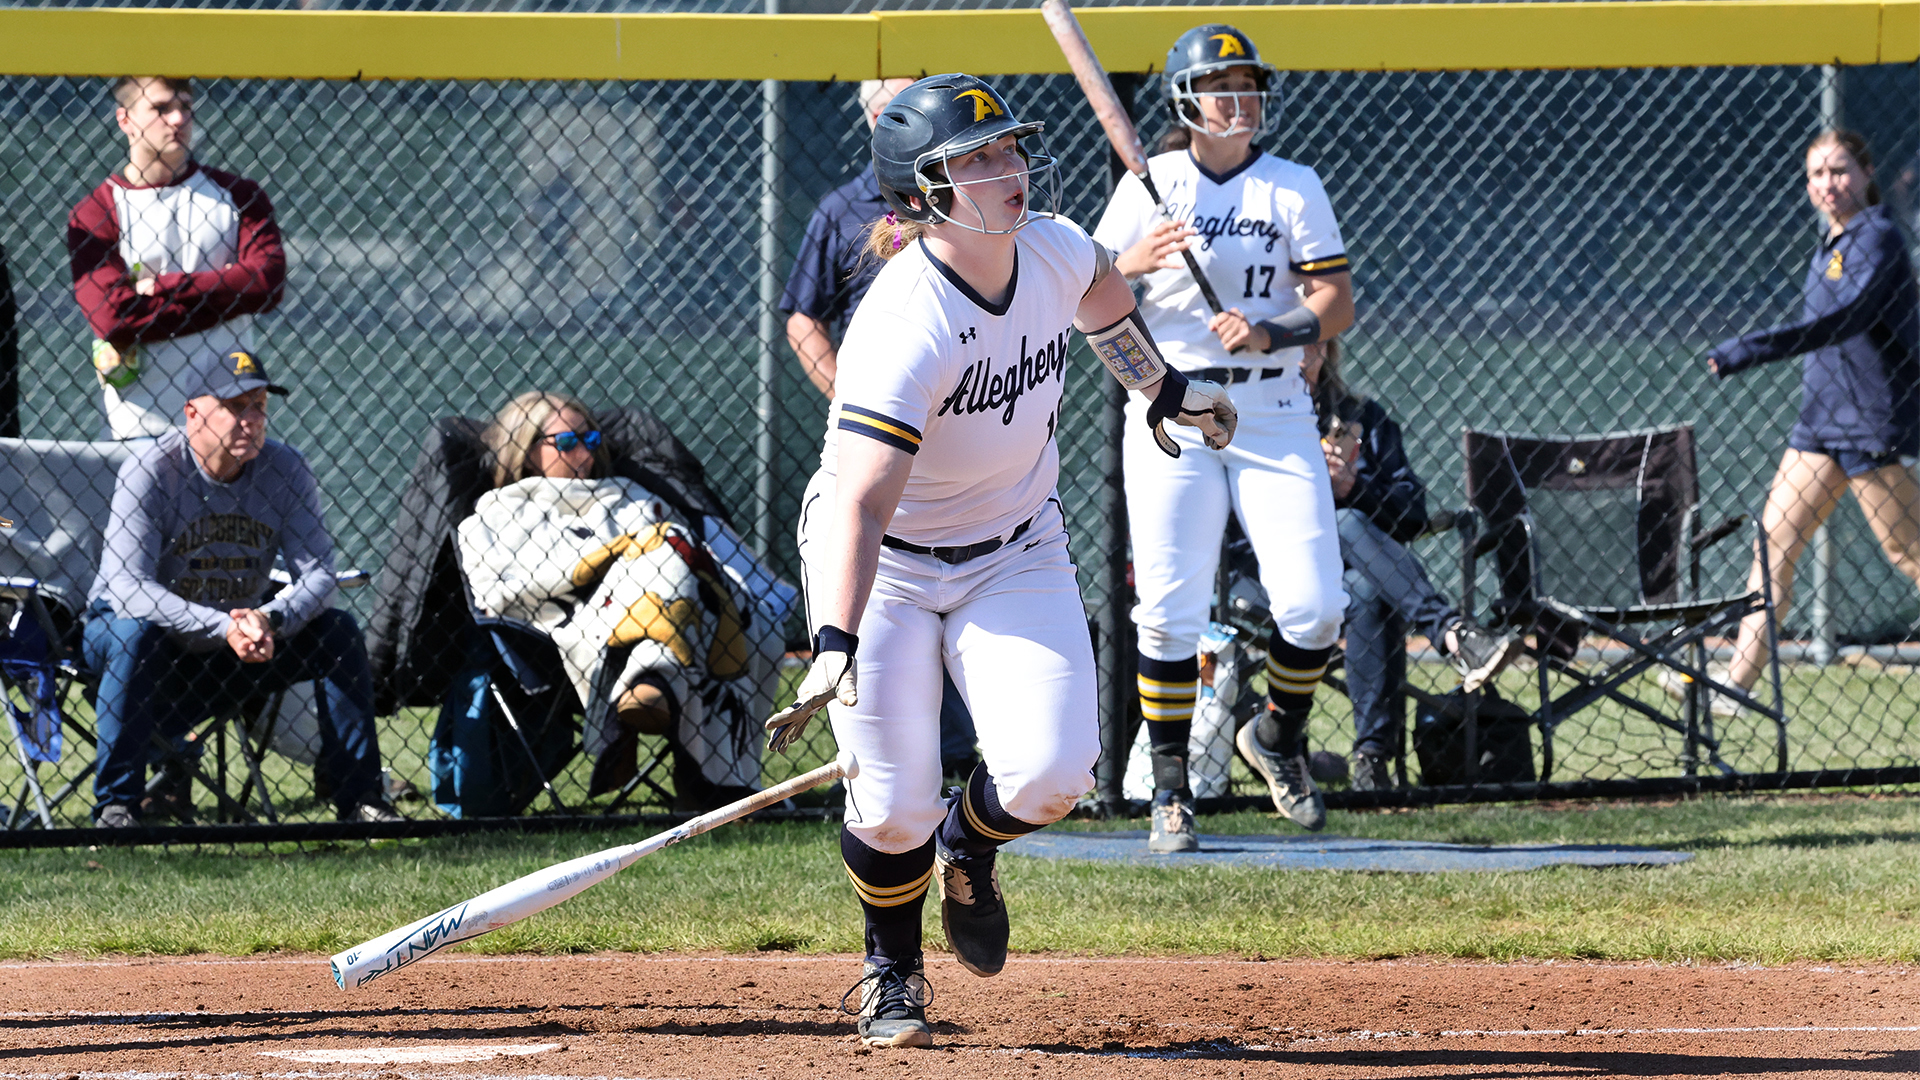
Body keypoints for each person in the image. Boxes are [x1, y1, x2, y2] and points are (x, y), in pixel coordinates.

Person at [761, 73, 1234, 1049]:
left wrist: (1163, 389)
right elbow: (861, 502)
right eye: (976, 159)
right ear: (924, 193)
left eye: (1008, 147)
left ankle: (967, 847)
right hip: (885, 563)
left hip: (1016, 548)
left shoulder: (1053, 246)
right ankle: (892, 968)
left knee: (1054, 771)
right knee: (890, 804)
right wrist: (834, 642)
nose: (1008, 167)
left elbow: (1102, 293)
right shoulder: (904, 322)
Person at [1091, 24, 1354, 851]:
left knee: (1315, 606)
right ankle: (1171, 790)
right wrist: (1134, 258)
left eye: (1247, 87)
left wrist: (1272, 331)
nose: (1238, 101)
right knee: (1168, 613)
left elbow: (1336, 301)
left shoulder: (1293, 185)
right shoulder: (1152, 182)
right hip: (1175, 405)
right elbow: (1082, 286)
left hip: (1273, 406)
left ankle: (1276, 735)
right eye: (1220, 88)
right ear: (1186, 100)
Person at [85, 348, 399, 827]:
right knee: (134, 634)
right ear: (192, 413)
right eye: (235, 407)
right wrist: (222, 626)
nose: (251, 420)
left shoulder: (286, 468)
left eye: (259, 406)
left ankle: (362, 801)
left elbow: (319, 574)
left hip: (237, 642)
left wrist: (270, 619)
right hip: (140, 644)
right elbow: (129, 587)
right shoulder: (151, 470)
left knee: (337, 631)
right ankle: (117, 808)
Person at [782, 76, 981, 781]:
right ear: (874, 123)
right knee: (887, 563)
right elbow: (802, 316)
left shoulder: (974, 199)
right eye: (892, 108)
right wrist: (848, 392)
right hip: (886, 427)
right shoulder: (843, 210)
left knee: (967, 563)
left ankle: (958, 754)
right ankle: (903, 763)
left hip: (965, 418)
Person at [1683, 130, 1920, 716]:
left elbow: (1847, 319)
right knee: (1773, 547)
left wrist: (1752, 348)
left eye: (1840, 171)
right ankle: (1737, 687)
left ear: (1866, 174)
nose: (1828, 184)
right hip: (1819, 427)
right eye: (1817, 174)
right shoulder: (1834, 242)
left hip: (1868, 425)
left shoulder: (1879, 238)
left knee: (1909, 553)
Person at [455, 391, 760, 808]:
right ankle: (703, 768)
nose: (583, 452)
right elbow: (495, 592)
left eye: (591, 439)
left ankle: (654, 680)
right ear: (526, 450)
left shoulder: (630, 494)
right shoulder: (497, 514)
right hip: (563, 626)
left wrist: (638, 552)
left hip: (667, 610)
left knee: (671, 547)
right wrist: (597, 563)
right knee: (661, 552)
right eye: (566, 442)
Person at [1305, 340, 1521, 790]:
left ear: (1329, 346)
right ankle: (1453, 633)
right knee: (1346, 523)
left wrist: (1354, 488)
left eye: (1315, 337)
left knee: (1368, 587)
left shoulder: (1361, 416)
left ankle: (1371, 760)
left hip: (1356, 576)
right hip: (1278, 570)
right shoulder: (1250, 413)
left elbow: (1412, 514)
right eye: (1289, 338)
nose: (1304, 349)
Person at [67, 76, 286, 441]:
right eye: (160, 108)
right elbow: (112, 319)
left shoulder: (239, 195)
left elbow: (265, 285)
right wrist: (226, 291)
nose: (178, 119)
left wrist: (163, 288)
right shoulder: (96, 211)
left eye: (185, 107)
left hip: (228, 423)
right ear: (125, 119)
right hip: (139, 425)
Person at [781, 78, 916, 399]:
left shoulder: (962, 196)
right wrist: (848, 401)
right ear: (880, 118)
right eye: (912, 106)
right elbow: (803, 322)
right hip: (879, 397)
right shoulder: (839, 211)